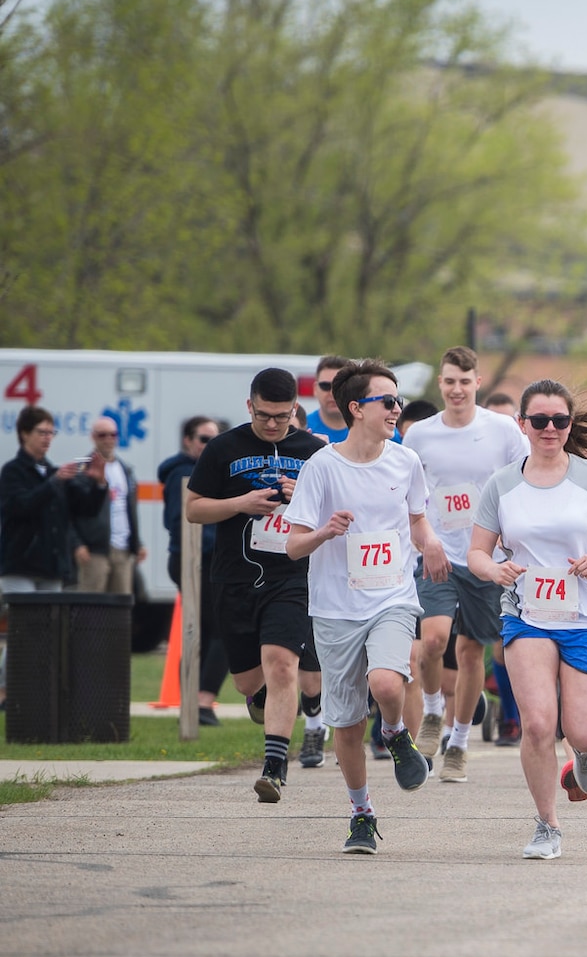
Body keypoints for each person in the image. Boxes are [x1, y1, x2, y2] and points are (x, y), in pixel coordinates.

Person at [467, 380, 587, 857]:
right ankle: (547, 825)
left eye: (559, 421)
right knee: (540, 725)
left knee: (583, 730)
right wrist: (496, 569)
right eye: (539, 420)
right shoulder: (501, 483)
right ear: (523, 424)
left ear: (570, 426)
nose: (549, 429)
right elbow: (477, 553)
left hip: (586, 615)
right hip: (527, 614)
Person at [283, 360, 446, 853]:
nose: (397, 410)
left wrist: (432, 542)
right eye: (387, 401)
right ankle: (361, 813)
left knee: (386, 682)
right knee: (348, 724)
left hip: (393, 596)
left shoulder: (406, 461)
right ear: (356, 408)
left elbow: (418, 521)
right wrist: (324, 532)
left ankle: (395, 731)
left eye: (398, 401)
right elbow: (292, 547)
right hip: (335, 608)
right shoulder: (322, 466)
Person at [188, 369, 332, 796]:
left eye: (283, 416)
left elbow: (336, 515)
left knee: (283, 662)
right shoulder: (223, 448)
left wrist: (300, 496)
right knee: (249, 682)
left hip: (291, 575)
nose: (273, 424)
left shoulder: (313, 452)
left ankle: (274, 767)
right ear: (249, 406)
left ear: (295, 411)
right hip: (234, 577)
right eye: (265, 415)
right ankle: (265, 701)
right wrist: (240, 503)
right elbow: (194, 510)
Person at [401, 347, 530, 781]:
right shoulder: (420, 435)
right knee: (434, 640)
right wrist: (424, 541)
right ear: (440, 383)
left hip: (487, 556)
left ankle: (458, 741)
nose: (457, 389)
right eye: (449, 381)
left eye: (465, 380)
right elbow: (409, 495)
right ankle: (434, 710)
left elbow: (522, 483)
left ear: (478, 382)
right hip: (438, 550)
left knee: (473, 650)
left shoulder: (504, 431)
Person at [1, 407, 107, 705]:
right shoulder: (13, 471)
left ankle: (33, 691)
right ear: (24, 434)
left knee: (47, 633)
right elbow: (18, 507)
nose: (47, 439)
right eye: (42, 432)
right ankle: (5, 689)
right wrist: (54, 482)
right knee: (23, 629)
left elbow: (81, 510)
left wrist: (97, 484)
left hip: (50, 565)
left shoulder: (50, 471)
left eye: (51, 433)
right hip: (21, 563)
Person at [159, 416, 228, 725]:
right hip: (194, 559)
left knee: (206, 631)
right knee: (205, 631)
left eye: (214, 439)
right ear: (187, 440)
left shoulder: (205, 471)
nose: (208, 445)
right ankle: (197, 703)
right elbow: (180, 521)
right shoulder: (183, 474)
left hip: (207, 558)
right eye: (203, 439)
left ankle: (197, 703)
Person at [72, 417, 146, 593]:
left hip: (122, 548)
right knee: (92, 607)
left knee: (120, 607)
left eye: (113, 434)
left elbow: (129, 510)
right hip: (95, 549)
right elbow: (70, 513)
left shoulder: (125, 469)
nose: (108, 439)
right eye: (102, 435)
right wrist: (77, 544)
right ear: (93, 437)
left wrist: (137, 543)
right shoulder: (82, 469)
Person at [304, 356, 352, 443]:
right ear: (315, 389)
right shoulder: (302, 429)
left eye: (339, 386)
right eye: (325, 386)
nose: (332, 393)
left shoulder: (367, 431)